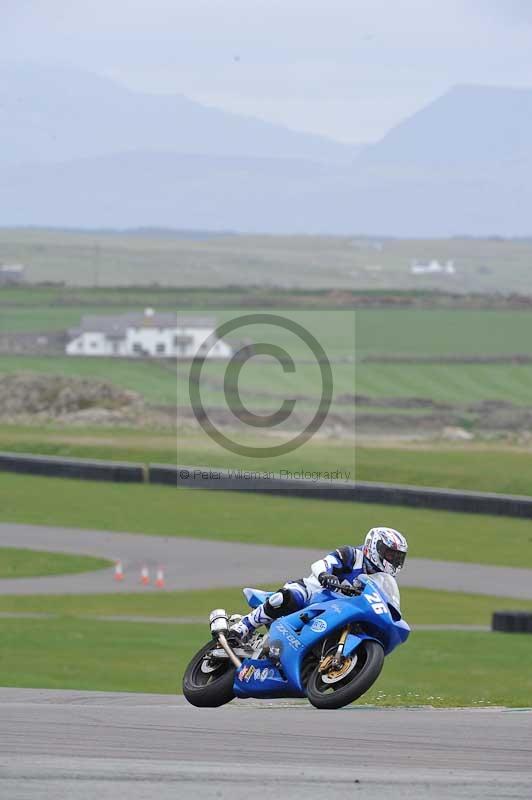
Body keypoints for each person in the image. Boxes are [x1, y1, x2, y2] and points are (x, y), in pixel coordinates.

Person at [229, 527, 408, 640]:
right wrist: (324, 575)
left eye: (397, 557)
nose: (392, 560)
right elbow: (322, 563)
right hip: (317, 593)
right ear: (374, 545)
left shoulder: (383, 579)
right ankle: (245, 625)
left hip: (345, 610)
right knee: (284, 597)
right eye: (390, 554)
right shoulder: (351, 555)